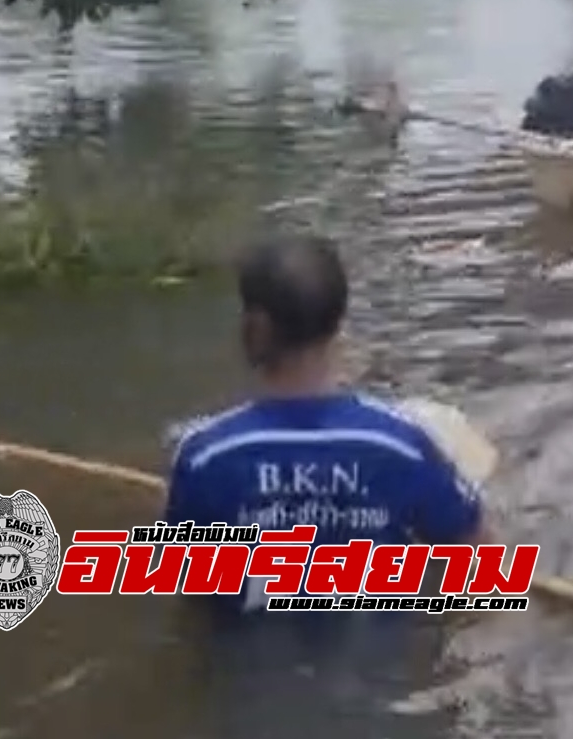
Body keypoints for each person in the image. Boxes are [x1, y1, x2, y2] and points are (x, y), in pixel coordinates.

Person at [165, 235, 488, 612]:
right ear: (339, 324)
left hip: (247, 661)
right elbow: (479, 558)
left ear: (254, 329)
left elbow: (188, 583)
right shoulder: (403, 446)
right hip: (380, 662)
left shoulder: (204, 457)